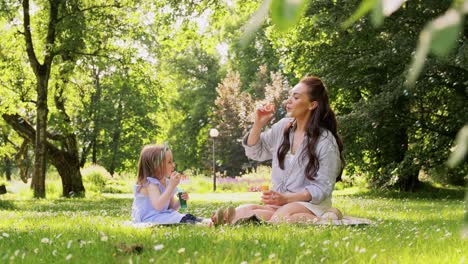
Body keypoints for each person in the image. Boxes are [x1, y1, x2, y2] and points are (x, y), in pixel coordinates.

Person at [222, 76, 345, 225]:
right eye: (289, 96)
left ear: (312, 105)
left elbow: (322, 188)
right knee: (243, 212)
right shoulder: (283, 127)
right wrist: (258, 124)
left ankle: (330, 215)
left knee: (280, 219)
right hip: (282, 203)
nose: (289, 101)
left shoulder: (325, 140)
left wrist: (286, 198)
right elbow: (255, 152)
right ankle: (231, 220)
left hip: (311, 204)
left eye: (296, 97)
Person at [131, 143, 210, 225]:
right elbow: (158, 206)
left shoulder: (166, 182)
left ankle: (208, 221)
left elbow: (172, 208)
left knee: (186, 216)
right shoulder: (150, 184)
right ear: (156, 166)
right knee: (180, 219)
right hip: (150, 218)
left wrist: (180, 201)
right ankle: (202, 225)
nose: (173, 165)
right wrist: (171, 186)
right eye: (169, 162)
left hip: (162, 216)